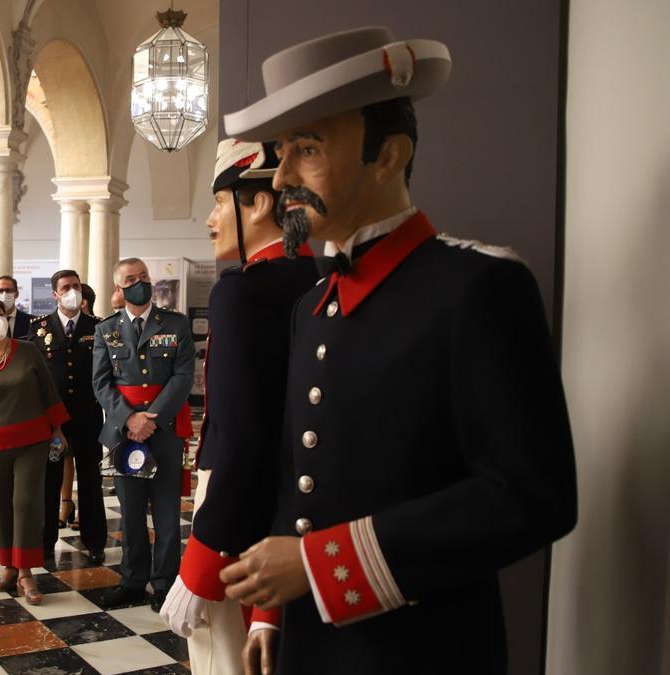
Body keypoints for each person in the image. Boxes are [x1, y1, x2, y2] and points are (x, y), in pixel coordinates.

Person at [217, 27, 577, 675]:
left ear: (389, 154)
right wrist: (273, 607)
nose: (285, 175)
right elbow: (299, 470)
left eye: (308, 147)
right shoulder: (313, 306)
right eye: (281, 151)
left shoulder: (479, 287)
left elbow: (531, 495)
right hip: (311, 643)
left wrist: (320, 566)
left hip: (425, 650)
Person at [159, 140, 319, 674]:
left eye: (220, 201)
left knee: (221, 658)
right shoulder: (316, 280)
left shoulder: (243, 293)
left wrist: (201, 565)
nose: (210, 218)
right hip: (293, 512)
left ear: (259, 204)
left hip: (232, 514)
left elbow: (243, 434)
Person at [92, 258, 195, 612]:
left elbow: (183, 377)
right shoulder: (107, 329)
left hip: (163, 428)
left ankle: (165, 582)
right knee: (131, 510)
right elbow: (101, 382)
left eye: (144, 277)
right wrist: (129, 419)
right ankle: (133, 581)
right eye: (131, 279)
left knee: (167, 510)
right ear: (119, 288)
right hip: (125, 432)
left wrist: (152, 418)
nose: (140, 283)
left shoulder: (176, 323)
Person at [0, 298, 69, 605]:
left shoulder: (28, 351)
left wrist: (57, 431)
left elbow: (49, 391)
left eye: (0, 314)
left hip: (33, 440)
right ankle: (8, 566)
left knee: (25, 503)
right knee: (2, 506)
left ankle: (26, 572)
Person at [25, 270, 106, 565]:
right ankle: (45, 541)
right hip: (52, 419)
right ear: (55, 294)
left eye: (76, 286)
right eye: (66, 287)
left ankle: (94, 540)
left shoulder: (97, 327)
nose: (73, 291)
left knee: (90, 479)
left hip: (87, 414)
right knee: (49, 479)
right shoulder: (39, 327)